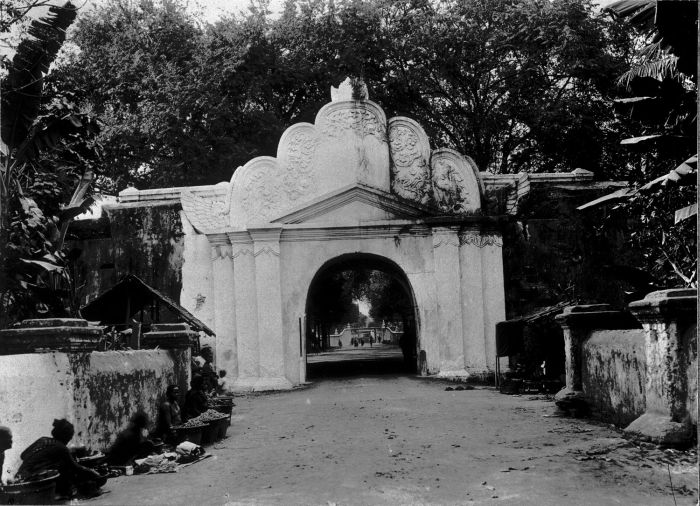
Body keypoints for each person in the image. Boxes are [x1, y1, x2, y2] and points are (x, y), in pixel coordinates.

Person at [16, 419, 106, 498]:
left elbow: (23, 455)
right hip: (35, 482)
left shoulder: (42, 439)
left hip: (19, 477)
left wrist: (45, 459)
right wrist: (95, 473)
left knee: (57, 466)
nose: (70, 439)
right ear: (65, 436)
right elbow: (76, 468)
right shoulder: (61, 447)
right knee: (68, 470)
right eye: (70, 436)